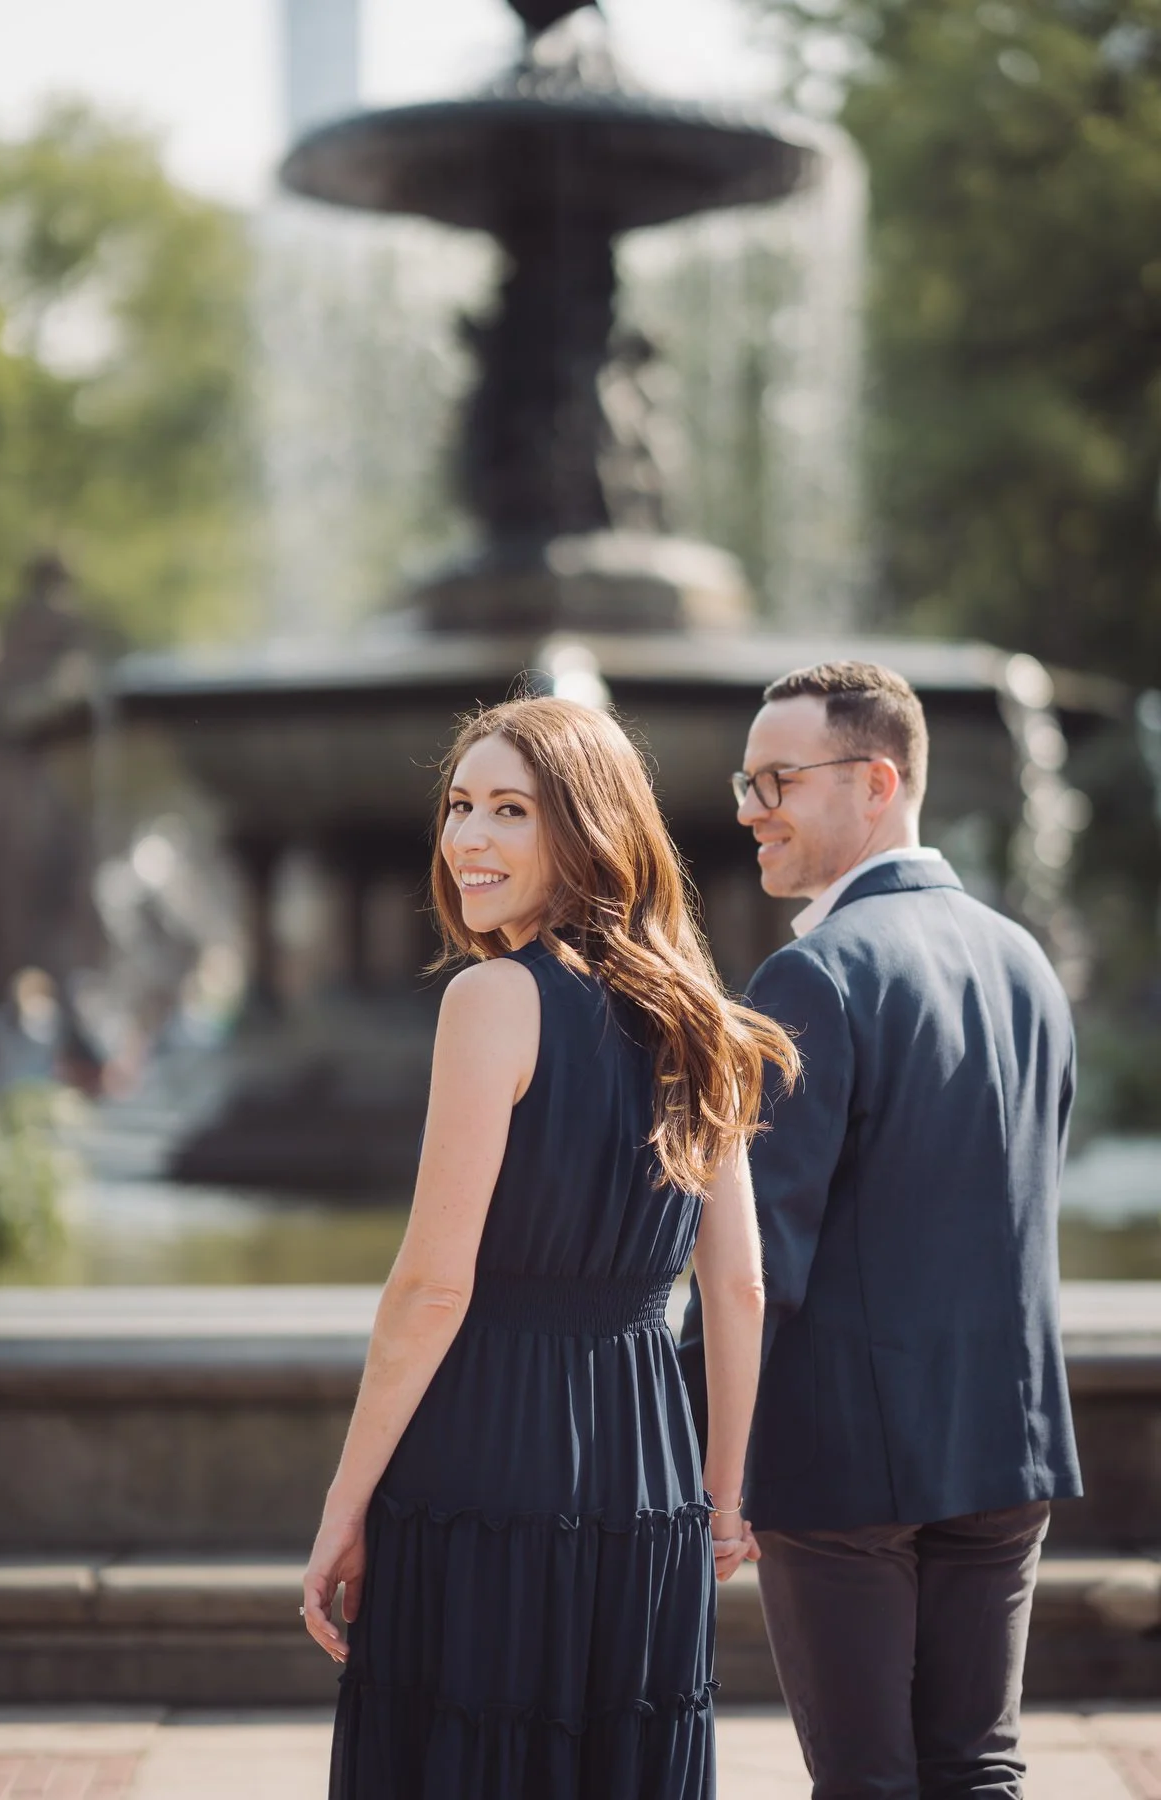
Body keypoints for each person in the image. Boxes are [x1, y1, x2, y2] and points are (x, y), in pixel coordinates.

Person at [301, 696, 799, 1800]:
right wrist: (721, 1497)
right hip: (646, 1470)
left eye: (510, 811)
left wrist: (343, 1507)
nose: (467, 839)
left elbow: (432, 1288)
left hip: (484, 1455)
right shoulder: (704, 1022)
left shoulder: (491, 999)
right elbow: (742, 1287)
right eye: (461, 805)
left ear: (586, 828)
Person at [680, 660, 1082, 1800]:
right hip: (1008, 1446)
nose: (750, 807)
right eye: (746, 779)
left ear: (876, 782)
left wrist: (674, 1433)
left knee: (865, 1782)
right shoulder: (1027, 963)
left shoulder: (811, 975)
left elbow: (757, 1262)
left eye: (778, 780)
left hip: (848, 1466)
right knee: (980, 1769)